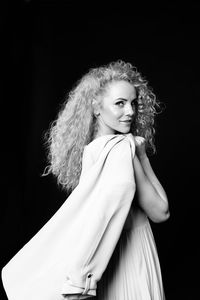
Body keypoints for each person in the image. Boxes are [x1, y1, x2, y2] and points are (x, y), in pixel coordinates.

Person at [2, 60, 170, 300]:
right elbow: (160, 212)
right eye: (120, 104)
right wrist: (140, 155)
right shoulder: (121, 148)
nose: (131, 112)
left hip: (107, 262)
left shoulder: (92, 151)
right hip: (130, 258)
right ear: (96, 108)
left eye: (133, 103)